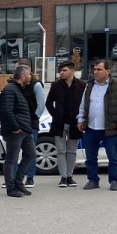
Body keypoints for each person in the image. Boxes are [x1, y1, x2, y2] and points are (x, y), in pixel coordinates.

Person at [77, 59, 117, 191]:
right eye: (94, 69)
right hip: (91, 127)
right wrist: (80, 119)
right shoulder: (89, 85)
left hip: (109, 127)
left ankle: (114, 180)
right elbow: (83, 104)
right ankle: (93, 180)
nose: (96, 72)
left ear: (108, 71)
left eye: (99, 69)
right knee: (90, 157)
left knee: (113, 156)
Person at [45, 60, 86, 188]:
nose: (61, 73)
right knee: (61, 150)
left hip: (75, 122)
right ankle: (63, 177)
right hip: (59, 123)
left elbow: (85, 104)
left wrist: (82, 118)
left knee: (72, 151)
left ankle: (70, 176)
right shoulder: (56, 85)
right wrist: (56, 115)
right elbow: (49, 103)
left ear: (72, 71)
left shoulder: (81, 85)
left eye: (64, 70)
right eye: (60, 71)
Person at [0, 65, 36, 198]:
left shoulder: (20, 89)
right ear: (23, 76)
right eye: (29, 74)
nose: (31, 76)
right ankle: (11, 187)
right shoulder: (10, 90)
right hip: (15, 130)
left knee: (31, 154)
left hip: (25, 128)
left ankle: (18, 182)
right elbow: (6, 111)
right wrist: (15, 127)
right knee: (11, 159)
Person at [19, 59, 45, 188]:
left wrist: (34, 118)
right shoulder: (17, 85)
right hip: (19, 122)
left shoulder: (36, 85)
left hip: (30, 123)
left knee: (30, 151)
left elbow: (41, 104)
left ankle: (30, 177)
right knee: (15, 152)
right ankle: (14, 177)